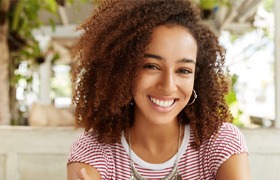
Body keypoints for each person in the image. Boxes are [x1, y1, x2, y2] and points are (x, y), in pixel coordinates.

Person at [67, 0, 251, 179]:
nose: (168, 85)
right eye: (151, 66)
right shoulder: (92, 151)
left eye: (184, 70)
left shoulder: (220, 142)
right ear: (122, 69)